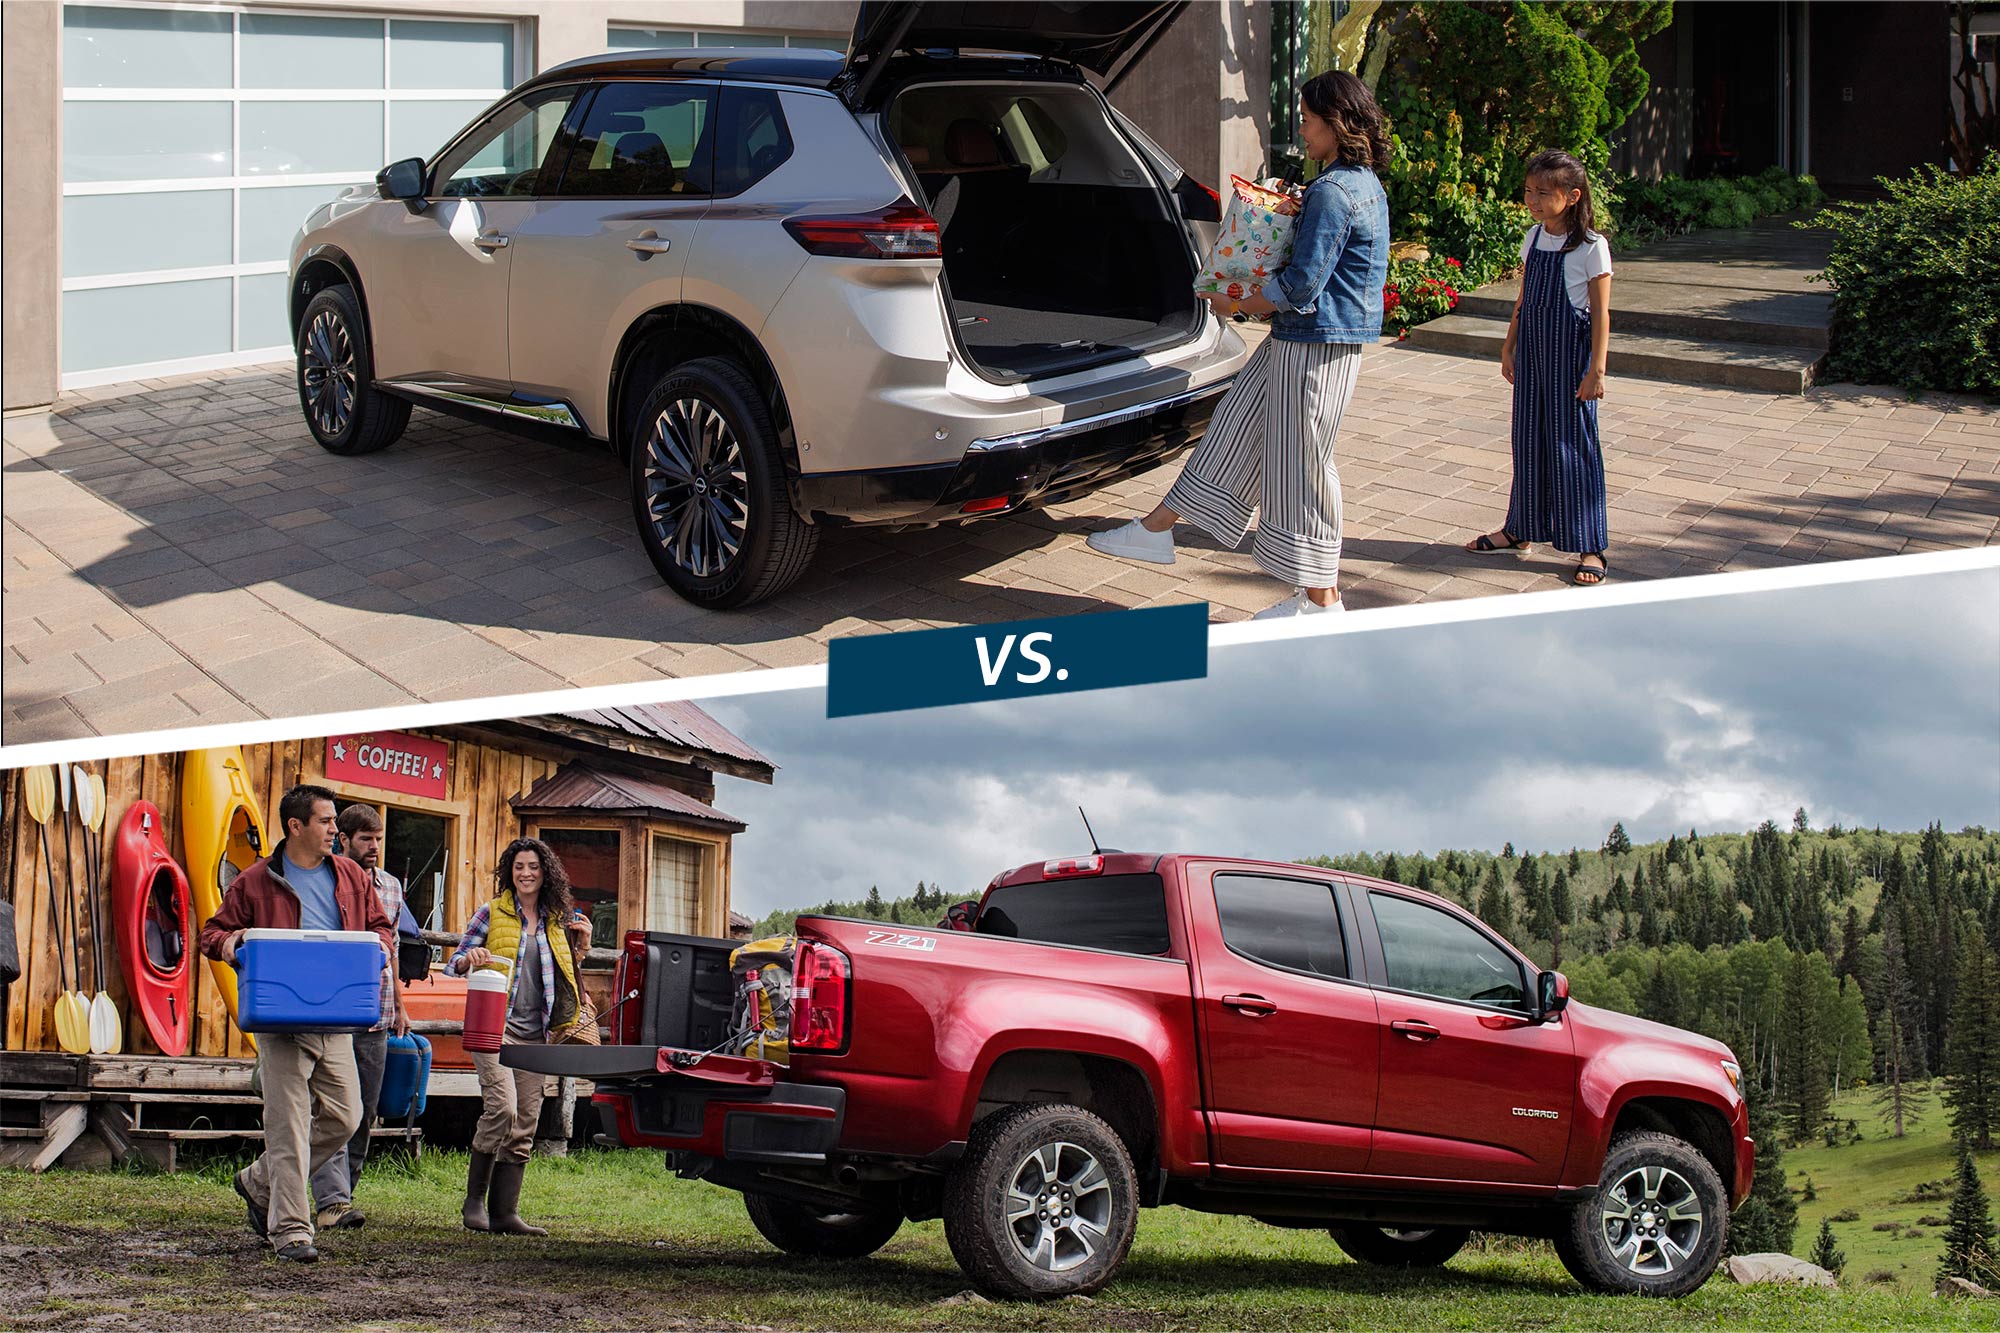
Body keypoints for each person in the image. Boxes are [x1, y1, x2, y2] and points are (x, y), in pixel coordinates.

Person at [1088, 70, 1390, 620]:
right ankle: (1158, 529)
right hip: (1309, 340)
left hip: (1314, 344)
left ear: (1336, 121)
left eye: (1306, 120)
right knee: (1235, 428)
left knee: (1301, 463)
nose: (1301, 130)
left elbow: (1301, 286)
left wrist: (1238, 303)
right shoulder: (1361, 182)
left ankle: (1320, 600)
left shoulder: (1335, 191)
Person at [198, 784, 394, 1263]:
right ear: (296, 826)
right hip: (280, 1017)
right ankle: (290, 1229)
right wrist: (235, 942)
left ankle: (259, 1180)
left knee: (346, 1116)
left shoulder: (349, 874)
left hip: (336, 1014)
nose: (334, 830)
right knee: (287, 1125)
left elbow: (381, 926)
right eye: (326, 822)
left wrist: (380, 952)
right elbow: (211, 933)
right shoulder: (256, 880)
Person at [1463, 148, 1614, 585]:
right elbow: (1524, 297)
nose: (1532, 199)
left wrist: (1597, 370)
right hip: (1531, 349)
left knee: (1573, 445)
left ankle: (1591, 545)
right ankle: (1520, 529)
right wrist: (1509, 345)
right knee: (1527, 437)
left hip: (1571, 355)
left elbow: (1602, 314)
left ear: (1571, 196)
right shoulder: (1533, 237)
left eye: (1543, 192)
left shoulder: (1592, 247)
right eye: (1529, 190)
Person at [448, 837, 593, 1236]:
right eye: (518, 867)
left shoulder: (555, 919)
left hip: (537, 1035)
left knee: (526, 1122)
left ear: (546, 873)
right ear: (509, 873)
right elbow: (453, 963)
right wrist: (468, 961)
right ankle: (474, 1201)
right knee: (503, 1109)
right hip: (495, 1028)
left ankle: (505, 1213)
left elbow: (563, 975)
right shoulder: (491, 913)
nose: (526, 873)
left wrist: (582, 947)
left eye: (533, 867)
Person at [310, 804, 410, 1232]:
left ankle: (343, 1195)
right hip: (333, 1014)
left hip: (378, 1011)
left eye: (379, 838)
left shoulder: (390, 886)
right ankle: (330, 1199)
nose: (374, 847)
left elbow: (395, 951)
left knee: (365, 1110)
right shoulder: (326, 878)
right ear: (345, 839)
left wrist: (402, 1006)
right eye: (366, 839)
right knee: (333, 1107)